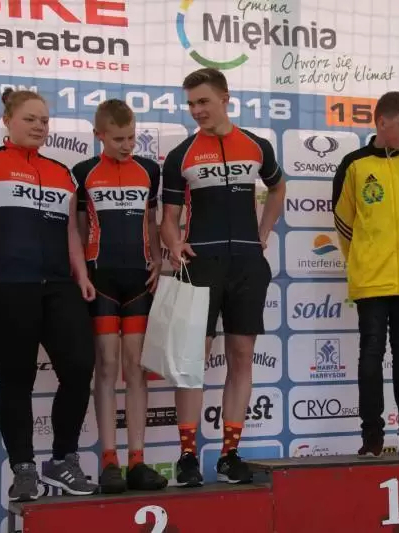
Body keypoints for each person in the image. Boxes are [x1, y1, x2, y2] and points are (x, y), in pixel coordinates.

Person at [0, 89, 98, 500]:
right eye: (30, 119)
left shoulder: (63, 172)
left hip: (59, 286)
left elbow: (70, 232)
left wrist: (81, 274)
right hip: (3, 286)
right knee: (16, 379)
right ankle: (23, 469)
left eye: (44, 120)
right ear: (7, 121)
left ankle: (62, 461)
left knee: (79, 368)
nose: (39, 126)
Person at [160, 68, 285, 485]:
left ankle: (230, 455)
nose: (197, 110)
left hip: (247, 263)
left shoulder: (257, 146)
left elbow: (278, 187)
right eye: (191, 104)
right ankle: (187, 456)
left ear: (225, 99)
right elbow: (169, 218)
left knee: (242, 356)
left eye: (203, 101)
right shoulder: (181, 155)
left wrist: (264, 232)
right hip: (201, 263)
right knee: (191, 362)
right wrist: (174, 243)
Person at [331, 91, 399, 458]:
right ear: (381, 122)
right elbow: (344, 221)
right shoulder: (354, 164)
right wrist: (364, 258)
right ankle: (372, 437)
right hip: (371, 277)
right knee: (371, 351)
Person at [73, 99, 167, 493]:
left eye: (131, 138)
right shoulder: (83, 172)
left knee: (136, 368)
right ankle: (109, 460)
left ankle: (138, 461)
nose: (127, 145)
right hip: (102, 282)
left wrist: (158, 260)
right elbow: (79, 231)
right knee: (107, 367)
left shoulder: (149, 170)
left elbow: (151, 221)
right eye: (118, 139)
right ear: (99, 135)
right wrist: (81, 274)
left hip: (139, 282)